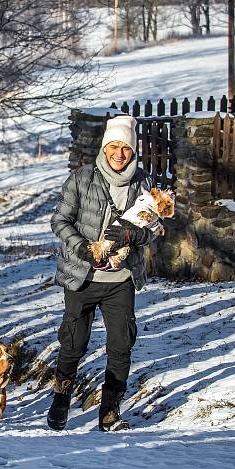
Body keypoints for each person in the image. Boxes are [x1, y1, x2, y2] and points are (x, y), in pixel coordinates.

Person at [47, 115, 159, 432]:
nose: (119, 154)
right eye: (113, 147)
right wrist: (83, 247)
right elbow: (59, 221)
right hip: (82, 276)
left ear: (133, 150)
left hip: (121, 279)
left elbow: (152, 229)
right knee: (73, 344)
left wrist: (132, 237)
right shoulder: (82, 178)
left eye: (125, 148)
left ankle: (109, 412)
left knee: (121, 344)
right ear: (104, 147)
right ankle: (60, 398)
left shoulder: (143, 183)